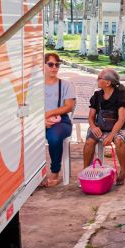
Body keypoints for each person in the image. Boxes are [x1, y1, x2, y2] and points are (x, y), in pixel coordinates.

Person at [83, 68, 125, 185]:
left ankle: (123, 171)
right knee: (89, 142)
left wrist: (111, 136)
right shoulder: (97, 95)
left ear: (108, 82)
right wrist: (93, 127)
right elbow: (91, 117)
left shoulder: (121, 96)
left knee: (119, 141)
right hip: (100, 126)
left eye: (99, 78)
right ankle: (85, 171)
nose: (97, 80)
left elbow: (121, 120)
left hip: (118, 127)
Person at [42, 53, 76, 187]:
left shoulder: (65, 85)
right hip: (38, 121)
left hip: (61, 121)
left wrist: (49, 114)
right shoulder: (35, 85)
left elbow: (69, 106)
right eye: (51, 64)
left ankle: (55, 172)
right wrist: (41, 121)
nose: (54, 68)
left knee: (54, 138)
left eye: (57, 65)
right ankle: (30, 175)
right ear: (43, 65)